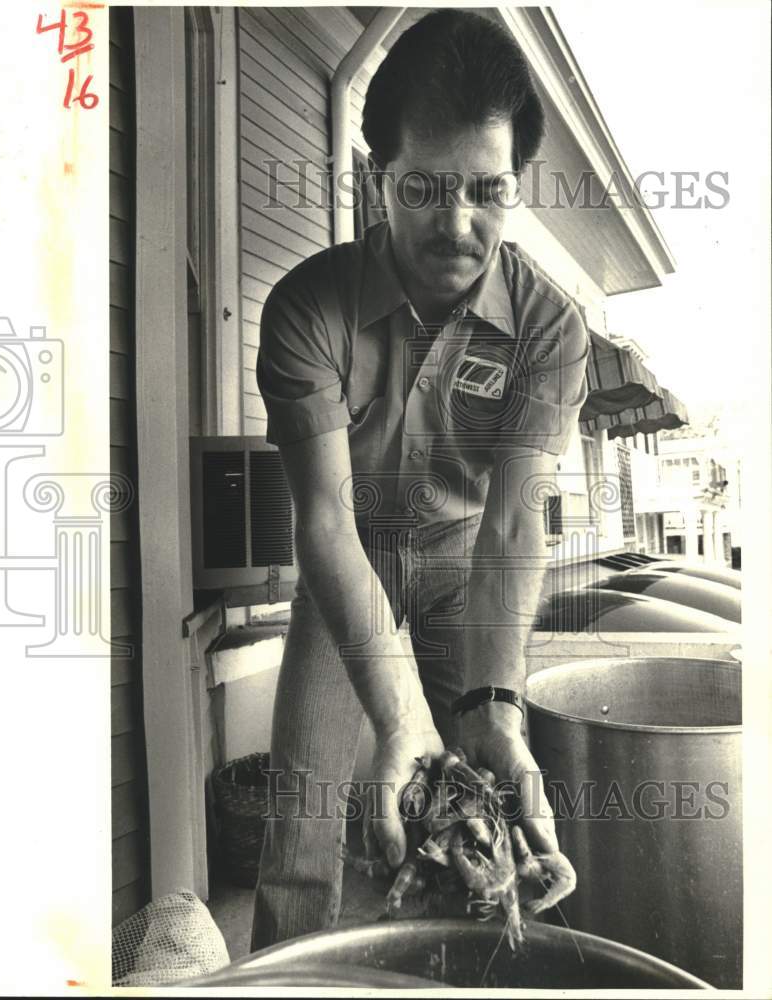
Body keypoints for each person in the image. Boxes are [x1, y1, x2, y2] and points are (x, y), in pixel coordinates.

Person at [251, 9, 589, 949]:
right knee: (302, 829)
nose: (457, 224)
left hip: (465, 573)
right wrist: (399, 716)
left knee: (486, 819)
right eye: (427, 189)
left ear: (515, 185)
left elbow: (515, 527)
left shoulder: (552, 330)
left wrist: (494, 702)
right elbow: (323, 522)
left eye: (486, 190)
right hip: (344, 567)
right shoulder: (306, 311)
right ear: (376, 178)